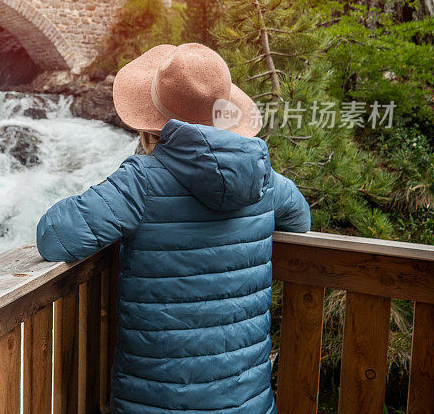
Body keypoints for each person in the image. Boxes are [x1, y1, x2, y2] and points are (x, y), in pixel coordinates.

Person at [36, 43, 310, 414]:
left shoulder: (140, 182)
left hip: (153, 404)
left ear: (152, 120)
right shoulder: (265, 180)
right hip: (247, 404)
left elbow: (53, 236)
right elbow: (301, 221)